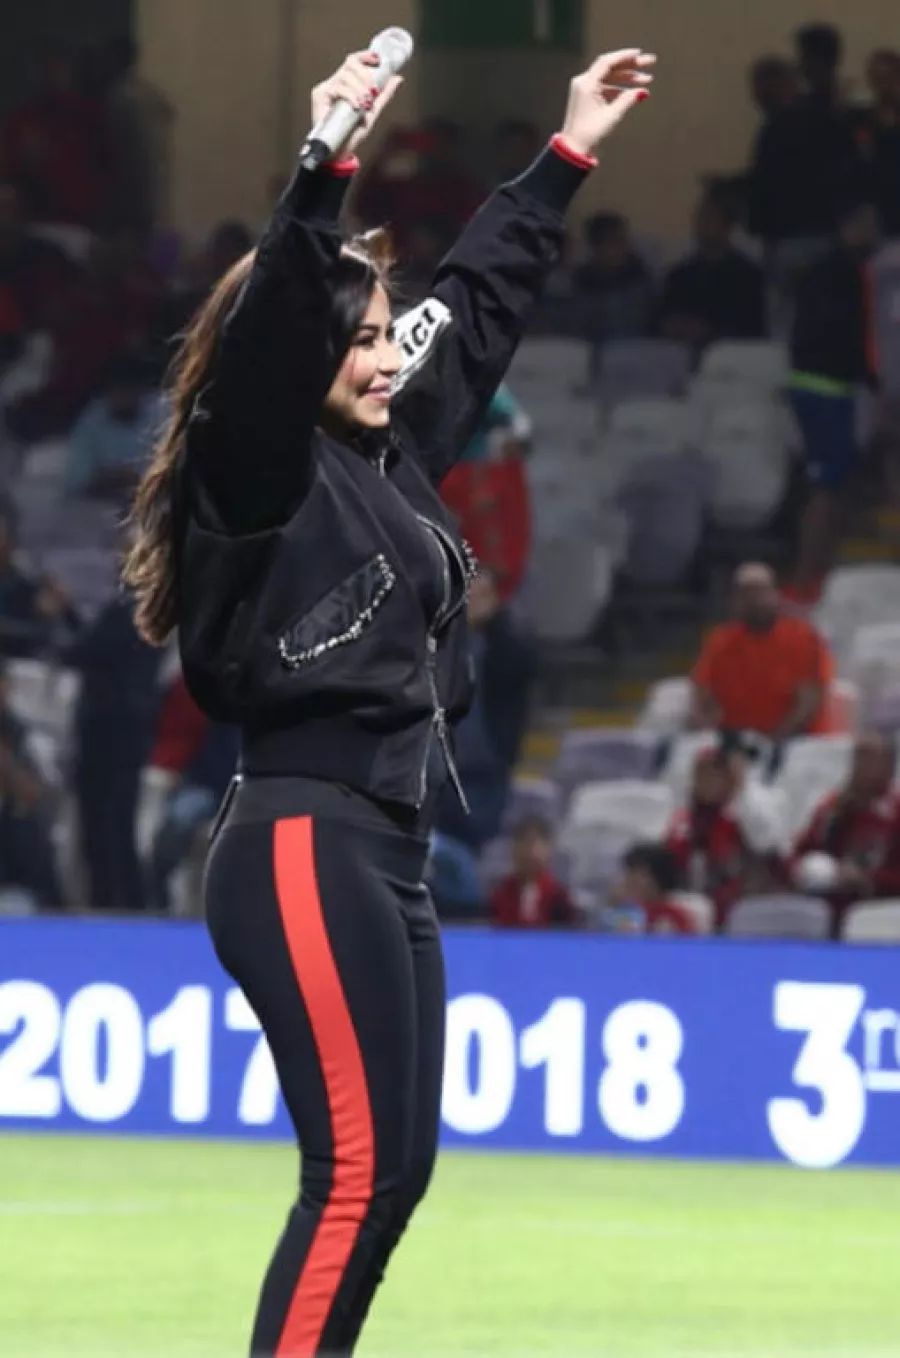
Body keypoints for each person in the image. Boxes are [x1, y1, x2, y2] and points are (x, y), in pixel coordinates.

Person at [122, 43, 656, 1357]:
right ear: (297, 354)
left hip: (385, 846)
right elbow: (267, 340)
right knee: (354, 1173)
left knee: (394, 1175)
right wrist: (323, 169)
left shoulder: (386, 454)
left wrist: (563, 157)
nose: (379, 358)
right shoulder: (256, 469)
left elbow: (469, 312)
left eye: (378, 338)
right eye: (356, 340)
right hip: (303, 836)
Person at [786, 201, 881, 603]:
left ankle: (819, 574)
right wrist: (872, 377)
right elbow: (851, 333)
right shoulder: (842, 273)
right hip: (825, 389)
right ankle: (804, 579)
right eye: (868, 225)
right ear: (849, 226)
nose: (874, 233)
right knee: (825, 488)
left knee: (837, 484)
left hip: (827, 388)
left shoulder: (827, 270)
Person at [689, 562, 834, 740]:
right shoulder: (720, 640)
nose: (752, 600)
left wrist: (771, 742)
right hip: (734, 741)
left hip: (793, 742)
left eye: (759, 591)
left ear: (776, 594)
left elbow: (808, 704)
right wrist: (707, 733)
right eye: (744, 593)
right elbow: (702, 695)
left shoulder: (804, 638)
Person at [791, 731, 900, 937]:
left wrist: (866, 879)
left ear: (889, 765)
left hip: (883, 915)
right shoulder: (833, 807)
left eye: (868, 758)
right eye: (857, 756)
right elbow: (799, 854)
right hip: (830, 910)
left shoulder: (896, 812)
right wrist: (812, 869)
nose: (859, 765)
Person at [660, 193, 766, 349]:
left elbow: (753, 328)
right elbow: (660, 318)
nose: (701, 225)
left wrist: (709, 332)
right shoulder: (679, 275)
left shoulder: (748, 277)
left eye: (709, 218)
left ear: (727, 226)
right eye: (699, 218)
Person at [65, 353, 163, 502]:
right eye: (117, 388)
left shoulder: (161, 410)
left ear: (140, 388)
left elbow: (171, 469)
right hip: (101, 506)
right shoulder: (92, 419)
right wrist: (113, 479)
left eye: (128, 388)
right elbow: (76, 479)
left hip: (153, 502)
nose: (123, 395)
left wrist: (138, 477)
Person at [571, 211, 656, 347]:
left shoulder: (641, 277)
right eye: (613, 241)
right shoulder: (580, 281)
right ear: (596, 246)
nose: (621, 247)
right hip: (593, 351)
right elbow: (576, 328)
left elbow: (654, 324)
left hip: (638, 350)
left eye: (622, 240)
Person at [490, 815, 576, 929]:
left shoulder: (559, 898)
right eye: (523, 843)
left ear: (548, 849)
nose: (528, 852)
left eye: (534, 843)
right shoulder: (499, 896)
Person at [853, 50, 900, 239]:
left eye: (886, 78)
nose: (881, 85)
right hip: (878, 211)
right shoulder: (863, 119)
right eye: (876, 78)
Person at [605, 842, 696, 934]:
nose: (631, 880)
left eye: (641, 874)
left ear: (658, 878)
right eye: (630, 872)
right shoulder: (619, 909)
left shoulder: (672, 917)